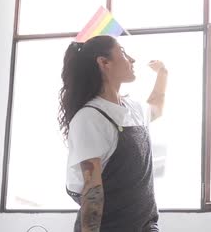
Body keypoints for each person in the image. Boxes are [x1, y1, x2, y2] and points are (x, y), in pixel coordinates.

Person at [59, 35, 168, 232]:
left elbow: (156, 106)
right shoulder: (90, 118)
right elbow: (93, 193)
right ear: (104, 62)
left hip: (145, 226)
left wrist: (163, 73)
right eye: (124, 53)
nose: (132, 60)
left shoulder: (132, 108)